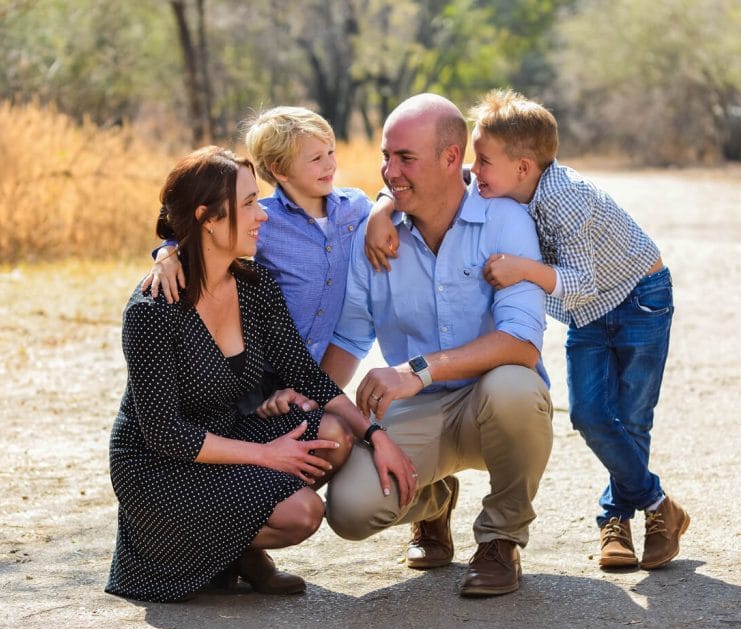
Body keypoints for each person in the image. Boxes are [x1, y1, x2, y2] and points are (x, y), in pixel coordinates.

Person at [365, 89, 690, 571]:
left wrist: (523, 268)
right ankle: (656, 504)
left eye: (484, 161)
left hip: (638, 298)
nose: (475, 172)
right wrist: (382, 206)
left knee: (631, 417)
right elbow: (434, 178)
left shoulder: (566, 200)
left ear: (523, 168)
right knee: (590, 416)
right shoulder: (501, 181)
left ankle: (621, 516)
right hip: (588, 314)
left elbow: (583, 282)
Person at [106, 146, 413, 603]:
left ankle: (233, 549)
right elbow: (164, 433)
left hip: (229, 436)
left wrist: (376, 433)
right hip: (159, 469)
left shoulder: (255, 286)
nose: (262, 216)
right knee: (302, 513)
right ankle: (226, 551)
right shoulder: (153, 311)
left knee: (334, 435)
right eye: (249, 203)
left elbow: (305, 374)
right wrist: (264, 454)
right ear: (208, 218)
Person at [315, 93, 553, 598]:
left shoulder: (504, 218)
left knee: (515, 387)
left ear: (451, 159)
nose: (389, 171)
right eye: (385, 156)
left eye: (405, 158)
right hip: (420, 412)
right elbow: (349, 338)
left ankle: (500, 538)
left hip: (492, 404)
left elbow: (522, 344)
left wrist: (416, 370)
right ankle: (433, 501)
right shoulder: (375, 237)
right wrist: (303, 402)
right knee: (350, 510)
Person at [143, 106, 371, 365]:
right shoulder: (260, 218)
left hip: (321, 362)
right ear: (280, 171)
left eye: (331, 152)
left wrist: (384, 211)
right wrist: (168, 252)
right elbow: (201, 232)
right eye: (316, 159)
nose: (330, 164)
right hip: (267, 365)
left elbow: (393, 212)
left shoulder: (355, 207)